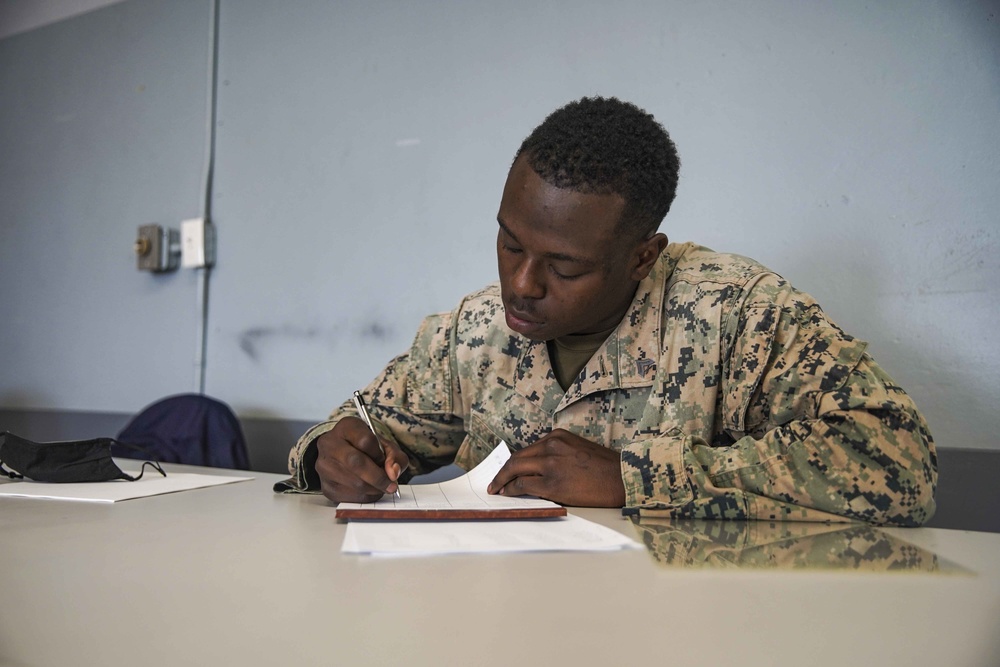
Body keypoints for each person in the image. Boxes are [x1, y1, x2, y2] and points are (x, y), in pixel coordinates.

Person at [276, 96, 937, 526]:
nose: (522, 284)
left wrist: (635, 476)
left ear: (643, 256)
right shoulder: (473, 334)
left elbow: (902, 464)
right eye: (509, 243)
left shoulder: (738, 315)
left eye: (564, 266)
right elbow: (360, 427)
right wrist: (331, 455)